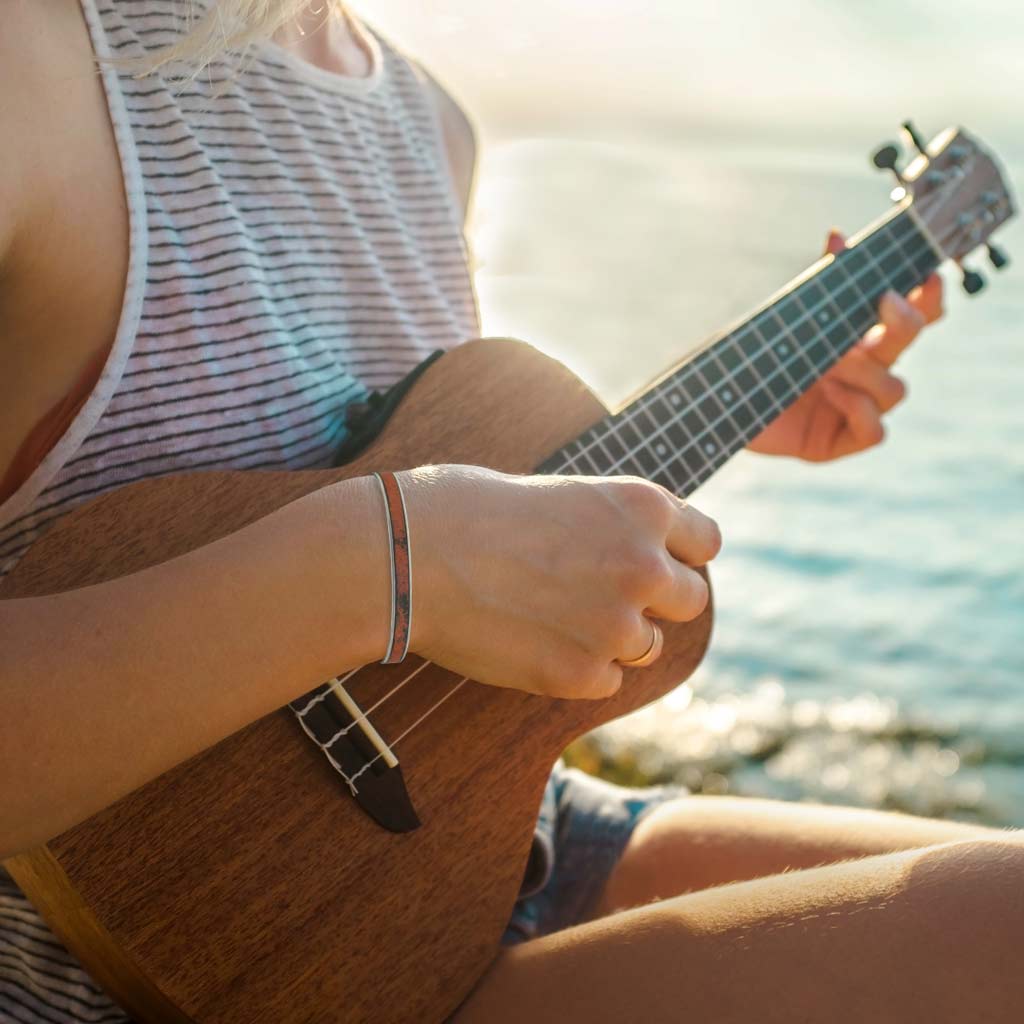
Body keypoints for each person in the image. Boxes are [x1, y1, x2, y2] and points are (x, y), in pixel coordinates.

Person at [0, 3, 1019, 1023]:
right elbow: (421, 544)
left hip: (481, 847)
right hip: (245, 975)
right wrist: (387, 562)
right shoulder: (37, 62)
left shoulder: (426, 117)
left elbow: (421, 468)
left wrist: (717, 408)